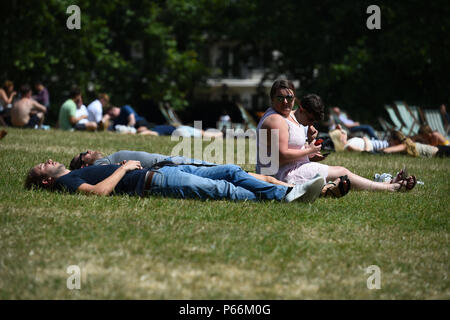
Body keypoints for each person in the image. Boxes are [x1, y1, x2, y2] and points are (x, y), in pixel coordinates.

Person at [256, 79, 416, 194]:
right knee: (341, 173)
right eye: (280, 98)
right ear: (271, 99)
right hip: (281, 176)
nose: (285, 102)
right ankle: (390, 187)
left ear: (295, 99)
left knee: (341, 174)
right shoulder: (275, 120)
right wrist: (308, 150)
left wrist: (309, 154)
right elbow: (281, 156)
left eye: (289, 97)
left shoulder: (286, 116)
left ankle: (387, 183)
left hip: (287, 170)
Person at [24, 159, 326, 203]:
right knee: (224, 190)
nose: (47, 161)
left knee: (231, 171)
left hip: (162, 172)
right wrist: (124, 167)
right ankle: (285, 196)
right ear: (46, 183)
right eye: (42, 167)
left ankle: (288, 191)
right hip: (152, 182)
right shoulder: (67, 183)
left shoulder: (72, 172)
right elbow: (99, 193)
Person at [69, 149, 294, 187]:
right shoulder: (100, 165)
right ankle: (282, 185)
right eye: (83, 154)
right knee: (231, 173)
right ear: (84, 164)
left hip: (173, 164)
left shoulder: (105, 161)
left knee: (231, 173)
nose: (88, 150)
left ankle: (281, 184)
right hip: (174, 165)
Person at [382, 131, 450, 158]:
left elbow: (386, 151)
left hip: (440, 152)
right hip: (440, 149)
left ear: (396, 141)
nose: (389, 143)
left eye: (390, 141)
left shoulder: (404, 146)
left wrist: (377, 151)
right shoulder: (407, 144)